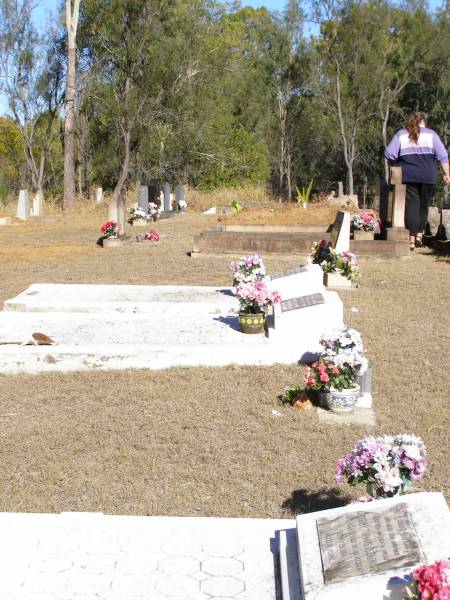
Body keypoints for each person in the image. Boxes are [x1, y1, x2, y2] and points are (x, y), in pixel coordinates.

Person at [385, 112, 449, 251]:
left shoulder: (401, 134)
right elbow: (443, 156)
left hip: (409, 176)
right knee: (423, 206)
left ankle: (411, 240)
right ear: (423, 122)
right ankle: (419, 235)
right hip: (428, 176)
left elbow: (389, 153)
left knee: (411, 207)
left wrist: (399, 160)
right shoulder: (432, 135)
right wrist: (446, 174)